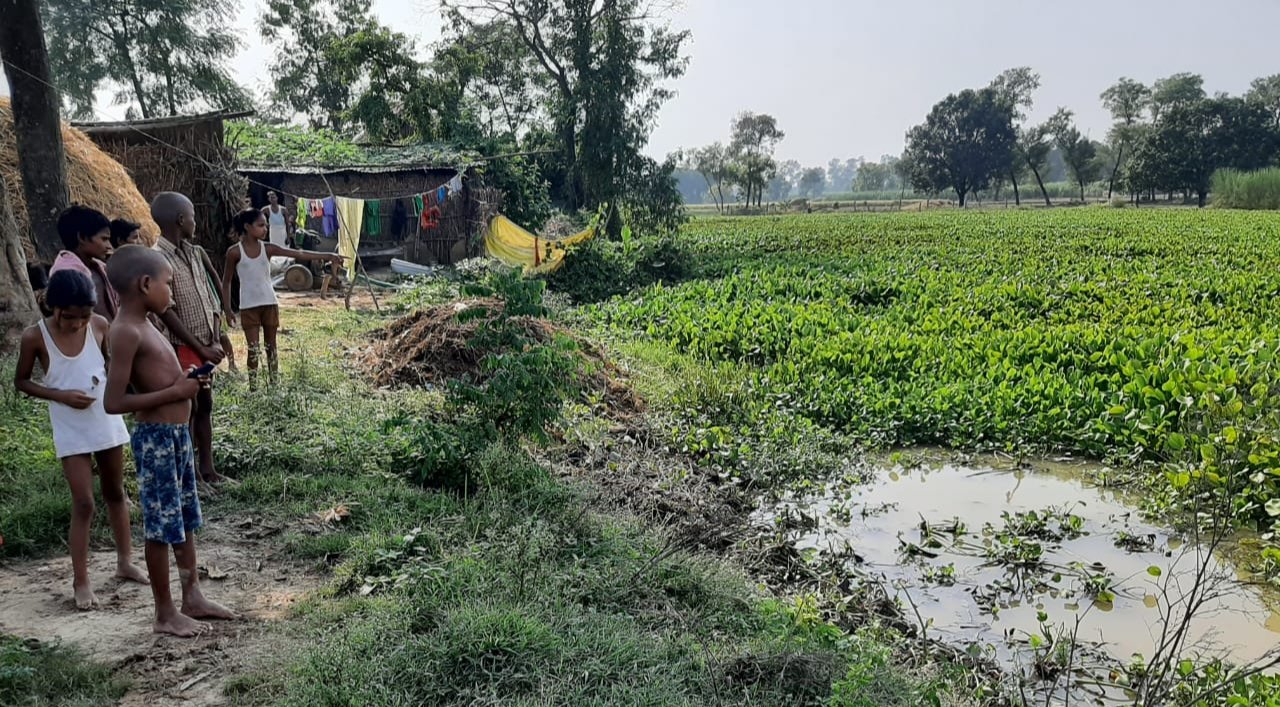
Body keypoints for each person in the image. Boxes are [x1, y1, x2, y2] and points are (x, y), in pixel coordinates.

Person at [103, 245, 237, 637]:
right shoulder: (126, 331)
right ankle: (164, 612)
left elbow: (167, 381)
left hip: (177, 436)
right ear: (145, 284)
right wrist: (176, 391)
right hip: (156, 439)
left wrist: (190, 380)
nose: (172, 294)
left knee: (183, 519)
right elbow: (115, 402)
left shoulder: (147, 325)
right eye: (168, 284)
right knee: (162, 527)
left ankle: (192, 595)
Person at [13, 270, 148, 610]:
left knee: (116, 493)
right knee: (84, 502)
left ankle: (125, 561)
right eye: (68, 316)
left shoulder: (100, 325)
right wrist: (59, 395)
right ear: (52, 306)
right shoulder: (35, 337)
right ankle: (81, 580)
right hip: (70, 424)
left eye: (83, 317)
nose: (76, 324)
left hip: (104, 418)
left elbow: (106, 366)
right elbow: (22, 382)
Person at [149, 192, 227, 487]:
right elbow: (166, 311)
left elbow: (211, 296)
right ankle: (191, 475)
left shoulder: (195, 253)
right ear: (181, 220)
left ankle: (209, 470)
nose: (195, 221)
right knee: (188, 410)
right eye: (192, 216)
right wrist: (199, 347)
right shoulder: (157, 258)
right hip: (182, 348)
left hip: (207, 346)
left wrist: (217, 338)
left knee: (205, 404)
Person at [221, 209, 343, 387]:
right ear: (247, 227)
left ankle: (274, 385)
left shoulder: (268, 248)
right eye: (261, 225)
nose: (265, 229)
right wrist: (228, 309)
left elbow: (298, 254)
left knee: (272, 348)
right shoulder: (234, 253)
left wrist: (328, 256)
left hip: (270, 303)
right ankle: (254, 389)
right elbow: (226, 282)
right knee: (253, 350)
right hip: (248, 306)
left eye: (266, 225)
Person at [49, 205, 118, 320]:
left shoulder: (100, 267)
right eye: (104, 239)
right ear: (82, 237)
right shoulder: (65, 275)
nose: (109, 246)